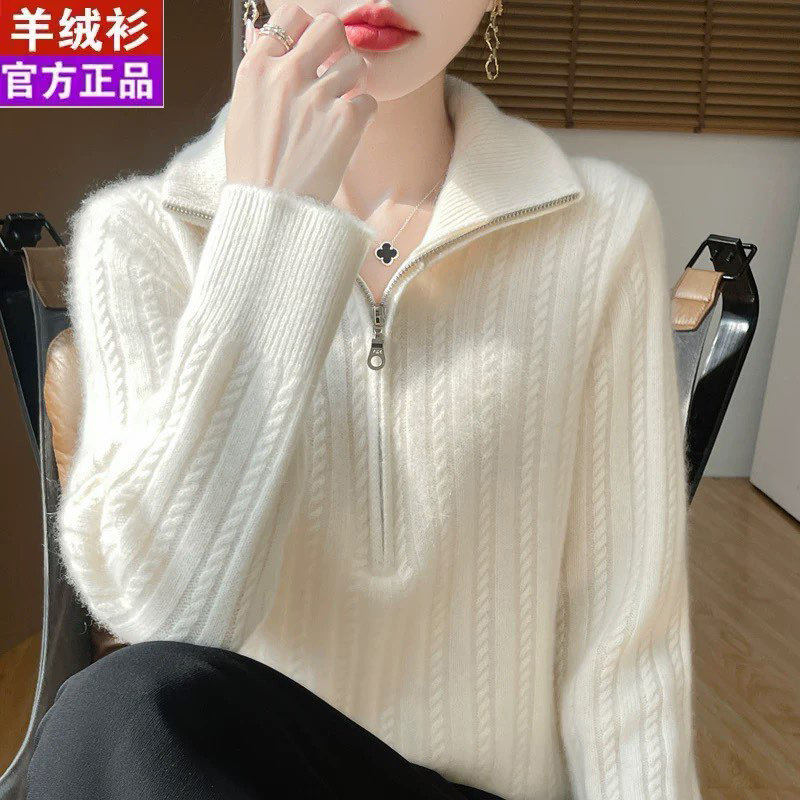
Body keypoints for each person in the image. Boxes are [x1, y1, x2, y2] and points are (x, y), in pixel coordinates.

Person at [26, 2, 704, 799]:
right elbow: (172, 620)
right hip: (251, 779)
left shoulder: (599, 228)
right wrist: (270, 225)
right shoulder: (140, 235)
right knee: (116, 711)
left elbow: (625, 642)